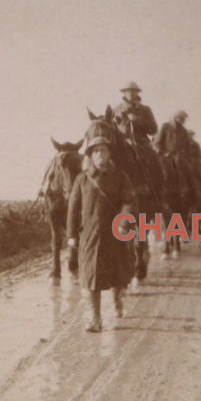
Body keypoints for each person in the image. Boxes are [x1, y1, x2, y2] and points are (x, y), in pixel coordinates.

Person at [67, 135, 136, 332]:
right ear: (89, 155)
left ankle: (117, 299)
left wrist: (124, 222)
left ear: (109, 153)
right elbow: (73, 208)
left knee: (117, 273)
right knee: (91, 276)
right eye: (95, 151)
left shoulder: (120, 177)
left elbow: (129, 201)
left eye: (103, 150)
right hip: (90, 235)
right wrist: (71, 235)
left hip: (115, 232)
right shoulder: (82, 179)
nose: (100, 154)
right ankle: (95, 319)